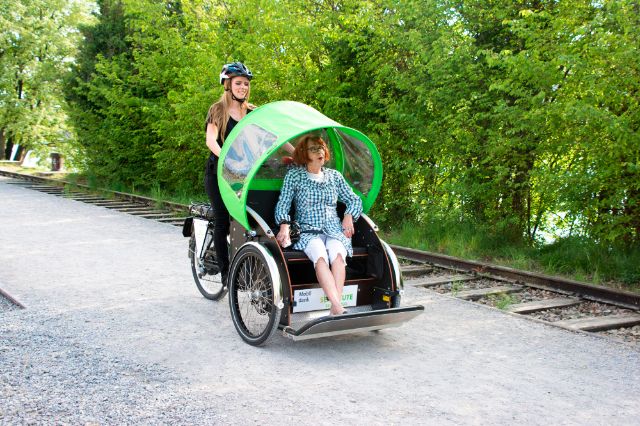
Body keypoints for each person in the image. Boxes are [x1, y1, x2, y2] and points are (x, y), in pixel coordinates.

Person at [274, 135, 363, 315]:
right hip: (308, 231)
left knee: (338, 255)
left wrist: (348, 216)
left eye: (321, 147)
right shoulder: (295, 175)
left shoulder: (334, 176)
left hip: (334, 229)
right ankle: (338, 307)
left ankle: (335, 307)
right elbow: (283, 204)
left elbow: (354, 200)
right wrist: (284, 225)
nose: (320, 151)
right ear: (304, 154)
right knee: (320, 255)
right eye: (314, 149)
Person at [204, 61, 255, 285]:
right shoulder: (218, 110)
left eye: (245, 84)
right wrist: (226, 158)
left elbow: (269, 137)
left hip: (243, 173)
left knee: (250, 219)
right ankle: (227, 275)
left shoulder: (252, 111)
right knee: (223, 220)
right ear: (228, 85)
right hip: (218, 172)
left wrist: (297, 153)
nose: (242, 87)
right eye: (238, 83)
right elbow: (211, 140)